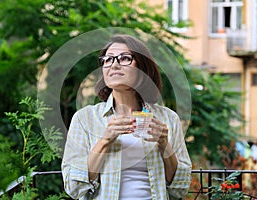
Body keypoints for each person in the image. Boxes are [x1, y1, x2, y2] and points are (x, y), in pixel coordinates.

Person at [61, 34, 192, 200]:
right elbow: (74, 187)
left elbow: (180, 188)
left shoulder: (167, 119)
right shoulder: (85, 118)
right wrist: (104, 141)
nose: (114, 64)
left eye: (124, 58)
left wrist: (164, 144)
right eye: (107, 59)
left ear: (142, 68)